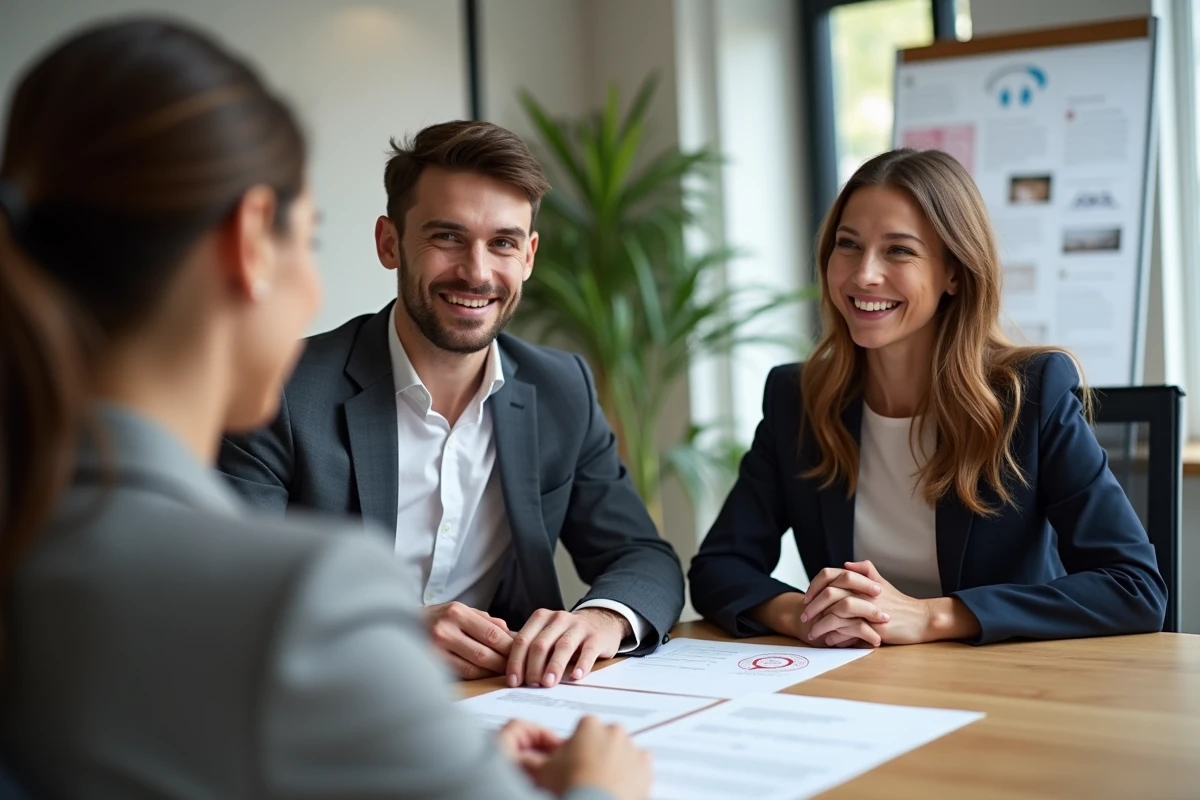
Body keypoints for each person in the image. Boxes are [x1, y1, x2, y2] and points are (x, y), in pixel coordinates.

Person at [0, 19, 650, 800]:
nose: (478, 270)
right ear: (250, 246)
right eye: (308, 239)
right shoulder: (305, 590)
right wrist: (597, 786)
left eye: (505, 243)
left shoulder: (36, 517)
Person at [218, 120, 684, 688]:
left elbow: (643, 556)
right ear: (390, 243)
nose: (478, 272)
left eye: (504, 243)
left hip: (505, 701)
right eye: (447, 237)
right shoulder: (279, 390)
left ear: (530, 256)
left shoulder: (563, 388)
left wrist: (603, 618)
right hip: (328, 705)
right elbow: (228, 596)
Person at [688, 148, 1167, 647]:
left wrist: (932, 617)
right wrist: (812, 615)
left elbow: (1133, 587)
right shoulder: (799, 399)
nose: (863, 274)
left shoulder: (1030, 393)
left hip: (1003, 686)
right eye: (847, 245)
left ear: (955, 273)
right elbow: (719, 567)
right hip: (861, 682)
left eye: (899, 250)